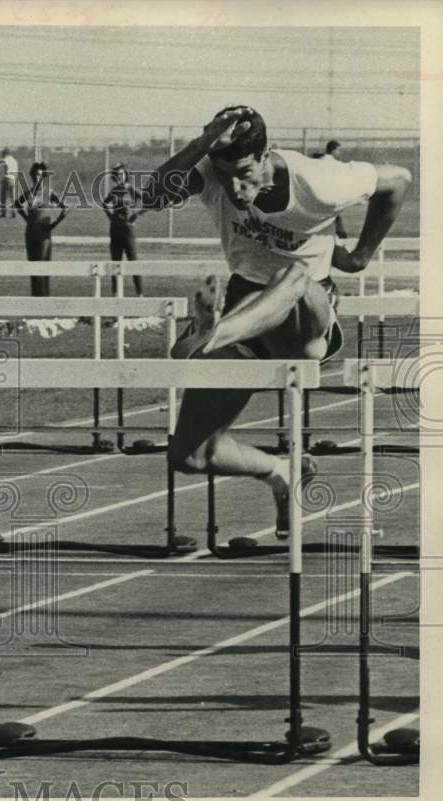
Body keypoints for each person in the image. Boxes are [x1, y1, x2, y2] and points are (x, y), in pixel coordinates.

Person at [134, 105, 411, 537]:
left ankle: (211, 334)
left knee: (292, 273)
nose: (233, 188)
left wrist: (359, 257)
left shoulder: (318, 181)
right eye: (223, 175)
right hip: (246, 304)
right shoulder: (211, 172)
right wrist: (204, 144)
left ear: (266, 155)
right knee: (189, 454)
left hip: (304, 320)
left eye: (243, 173)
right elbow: (149, 198)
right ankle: (282, 472)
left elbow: (397, 181)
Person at [15, 162, 68, 297]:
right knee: (32, 266)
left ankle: (44, 298)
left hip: (44, 234)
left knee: (43, 265)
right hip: (30, 232)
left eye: (39, 175)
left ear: (43, 176)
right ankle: (35, 299)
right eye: (34, 175)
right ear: (31, 176)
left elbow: (65, 208)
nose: (36, 177)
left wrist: (54, 224)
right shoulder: (29, 193)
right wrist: (27, 218)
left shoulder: (49, 193)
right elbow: (17, 204)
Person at [101, 162, 145, 296]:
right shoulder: (114, 191)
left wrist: (136, 214)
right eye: (117, 175)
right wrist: (110, 216)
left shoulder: (131, 189)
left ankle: (140, 295)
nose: (119, 177)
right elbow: (104, 204)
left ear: (125, 174)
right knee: (115, 262)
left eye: (121, 174)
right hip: (115, 230)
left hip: (128, 230)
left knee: (133, 261)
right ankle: (115, 295)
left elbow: (149, 201)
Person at [0, 148, 19, 218]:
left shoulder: (5, 160)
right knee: (12, 197)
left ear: (5, 153)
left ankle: (4, 213)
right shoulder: (14, 160)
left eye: (2, 153)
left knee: (3, 197)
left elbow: (5, 169)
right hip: (13, 179)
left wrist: (3, 179)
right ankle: (14, 212)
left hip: (7, 178)